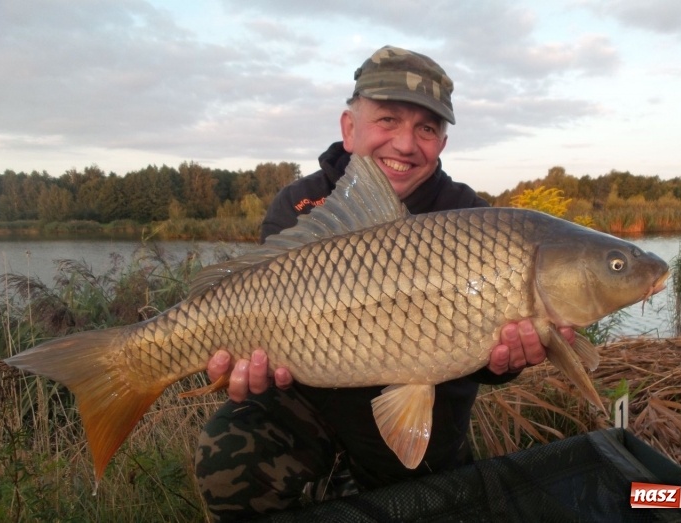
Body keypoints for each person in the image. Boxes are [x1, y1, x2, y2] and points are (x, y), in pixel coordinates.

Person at [195, 45, 575, 521]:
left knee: (425, 503)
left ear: (442, 143)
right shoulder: (299, 202)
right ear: (349, 128)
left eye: (427, 128)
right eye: (388, 120)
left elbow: (487, 358)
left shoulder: (471, 215)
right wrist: (244, 360)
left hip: (427, 416)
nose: (406, 144)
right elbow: (267, 321)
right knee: (231, 455)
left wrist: (508, 363)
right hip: (309, 402)